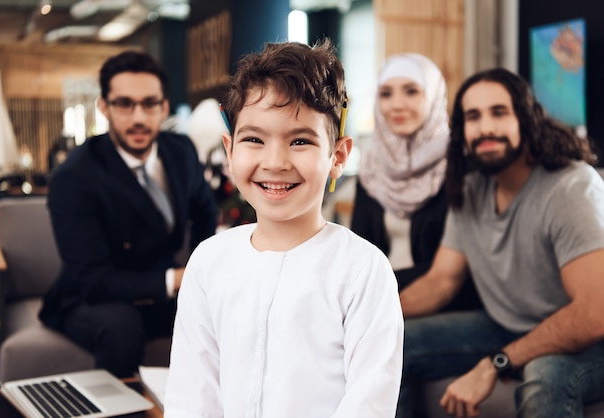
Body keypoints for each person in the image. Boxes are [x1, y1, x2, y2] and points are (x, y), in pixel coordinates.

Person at [164, 40, 404, 418]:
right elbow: (193, 396)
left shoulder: (363, 270)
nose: (274, 162)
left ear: (337, 156)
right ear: (230, 150)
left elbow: (369, 403)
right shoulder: (209, 263)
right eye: (254, 139)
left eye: (300, 140)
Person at [396, 67, 604, 418]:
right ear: (462, 132)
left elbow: (594, 312)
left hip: (593, 340)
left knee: (545, 376)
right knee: (392, 343)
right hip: (507, 324)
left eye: (499, 112)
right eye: (473, 117)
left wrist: (496, 364)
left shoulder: (569, 187)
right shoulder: (472, 188)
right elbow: (441, 281)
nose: (486, 128)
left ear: (526, 119)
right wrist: (370, 316)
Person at [39, 50, 218, 378]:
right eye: (124, 103)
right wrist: (178, 279)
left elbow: (206, 212)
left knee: (230, 309)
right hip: (89, 297)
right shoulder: (75, 176)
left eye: (150, 103)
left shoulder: (181, 151)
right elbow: (93, 279)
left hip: (159, 287)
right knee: (121, 326)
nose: (138, 117)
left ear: (164, 107)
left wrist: (200, 268)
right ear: (104, 107)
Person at [350, 53, 480, 309]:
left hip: (442, 304)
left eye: (411, 91)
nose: (397, 104)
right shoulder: (371, 166)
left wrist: (378, 292)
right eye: (386, 94)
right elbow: (358, 251)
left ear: (432, 96)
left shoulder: (461, 164)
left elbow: (456, 270)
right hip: (376, 299)